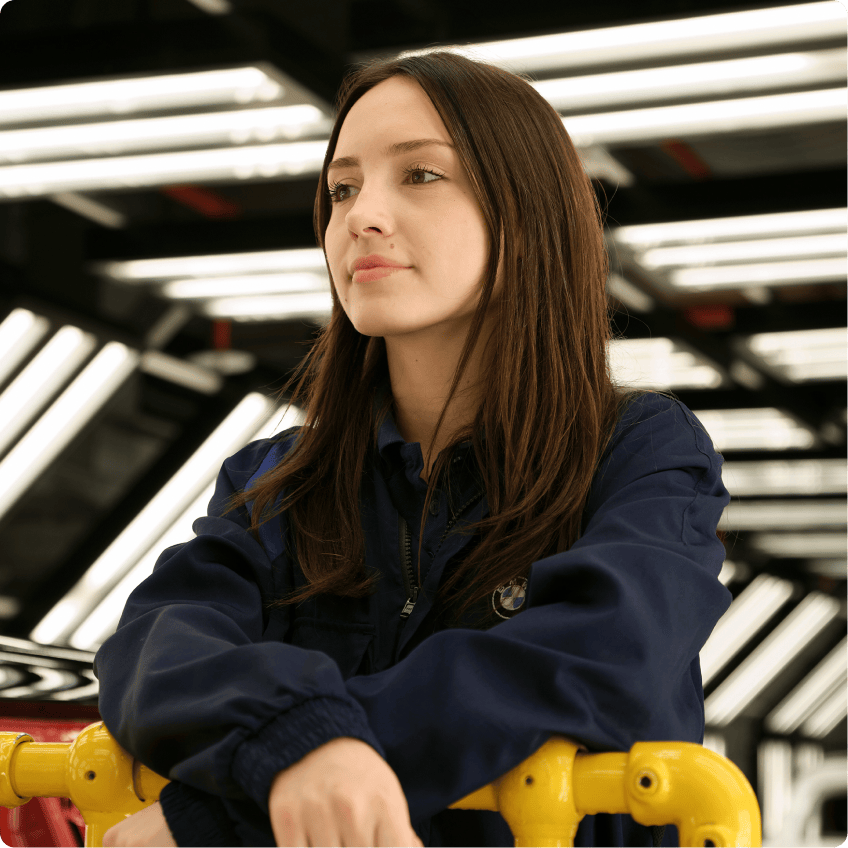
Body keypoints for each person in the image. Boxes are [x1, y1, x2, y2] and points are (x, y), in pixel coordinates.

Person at [95, 49, 731, 848]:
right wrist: (301, 746)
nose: (362, 215)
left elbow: (593, 660)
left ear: (526, 214)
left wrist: (235, 808)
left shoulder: (640, 453)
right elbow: (158, 647)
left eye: (421, 175)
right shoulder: (277, 481)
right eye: (343, 188)